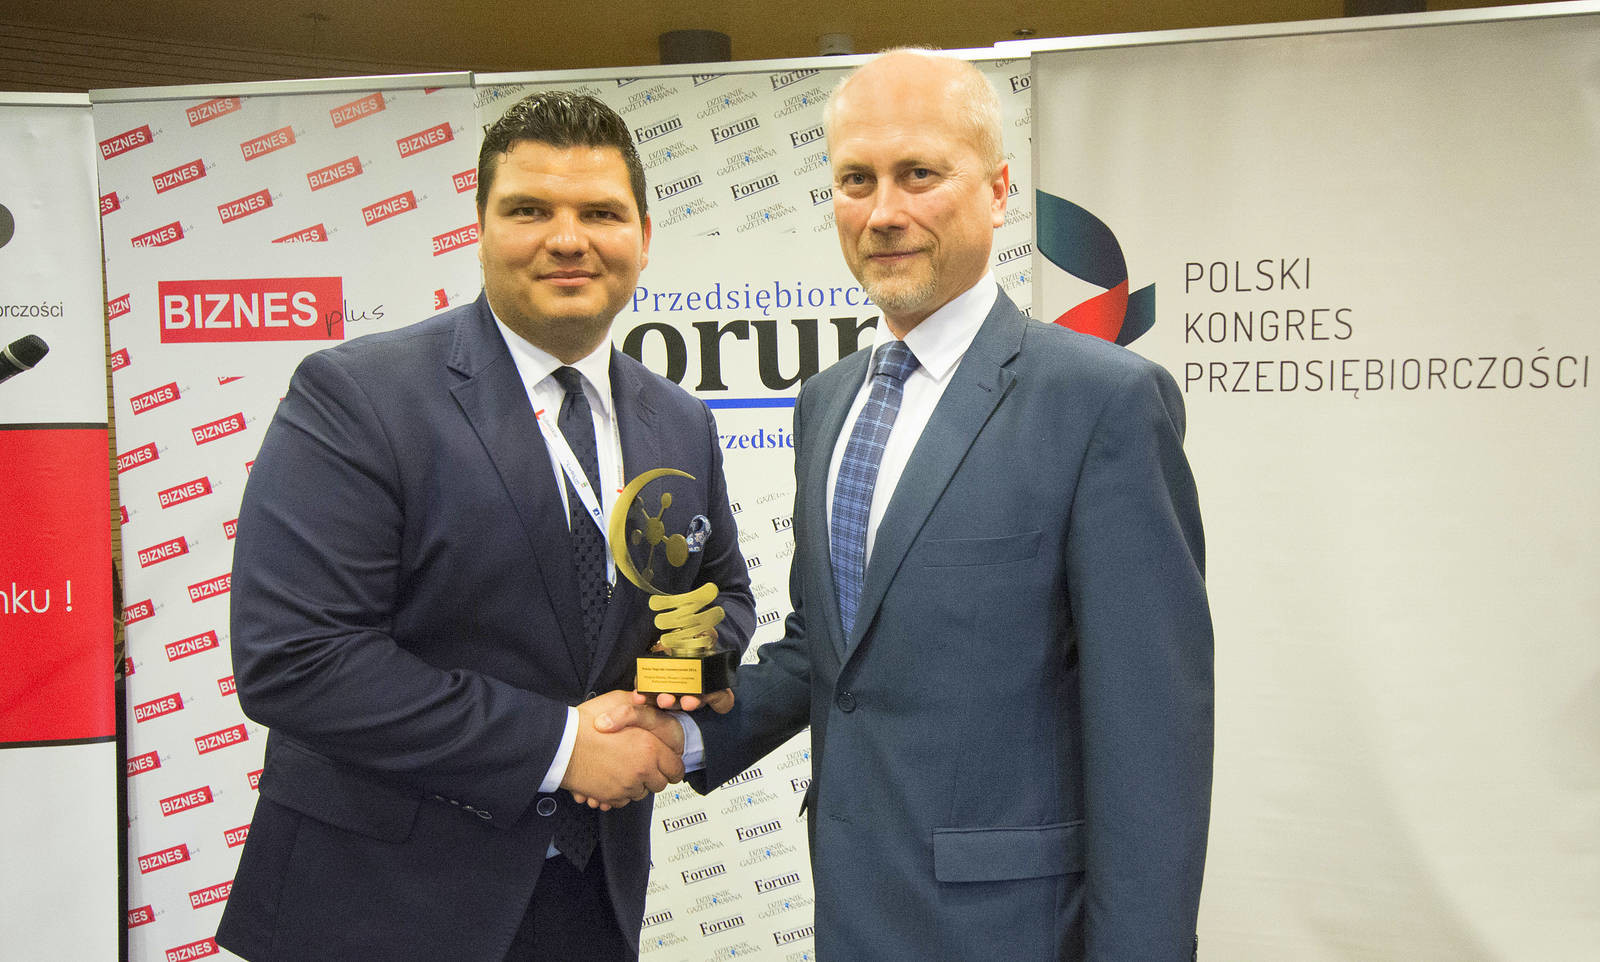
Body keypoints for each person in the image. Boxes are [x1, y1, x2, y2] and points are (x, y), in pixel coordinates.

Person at [611, 50, 1213, 960]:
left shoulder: (1103, 403)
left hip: (1017, 933)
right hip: (851, 912)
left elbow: (1152, 734)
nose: (883, 211)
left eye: (919, 174)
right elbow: (828, 652)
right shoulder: (828, 402)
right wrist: (683, 737)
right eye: (856, 180)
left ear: (999, 190)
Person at [216, 91, 754, 962]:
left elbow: (720, 596)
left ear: (644, 236)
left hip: (591, 896)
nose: (568, 239)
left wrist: (671, 691)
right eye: (530, 210)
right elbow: (297, 659)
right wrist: (563, 745)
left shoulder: (678, 420)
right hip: (378, 909)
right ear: (479, 227)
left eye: (601, 213)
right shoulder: (358, 396)